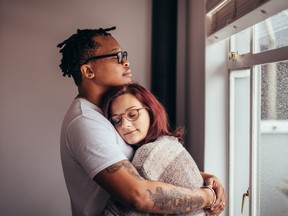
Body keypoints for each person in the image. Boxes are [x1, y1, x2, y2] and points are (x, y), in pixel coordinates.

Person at [57, 27, 226, 216]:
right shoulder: (86, 122)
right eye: (117, 56)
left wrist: (202, 178)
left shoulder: (105, 113)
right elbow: (138, 195)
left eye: (125, 55)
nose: (126, 61)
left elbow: (139, 169)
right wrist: (207, 197)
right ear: (88, 70)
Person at [102, 82, 226, 215]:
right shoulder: (169, 144)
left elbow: (117, 213)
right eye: (116, 120)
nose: (125, 125)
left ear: (150, 110)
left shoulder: (147, 154)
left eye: (132, 114)